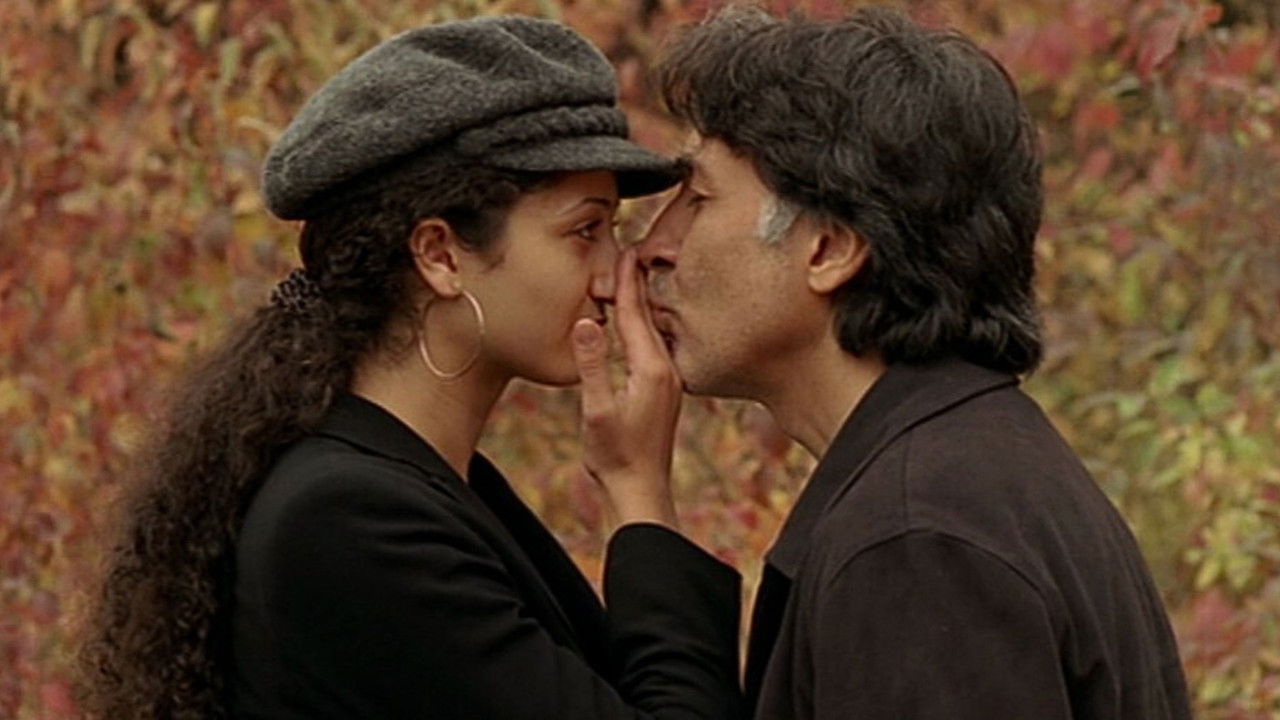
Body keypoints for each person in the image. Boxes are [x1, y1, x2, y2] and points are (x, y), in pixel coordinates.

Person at [78, 16, 744, 720]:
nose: (616, 276)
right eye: (585, 231)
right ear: (440, 255)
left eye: (613, 230)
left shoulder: (427, 483)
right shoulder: (349, 520)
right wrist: (639, 493)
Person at [626, 5, 1193, 719]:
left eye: (699, 198)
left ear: (829, 249)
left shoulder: (916, 539)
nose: (651, 247)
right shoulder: (971, 476)